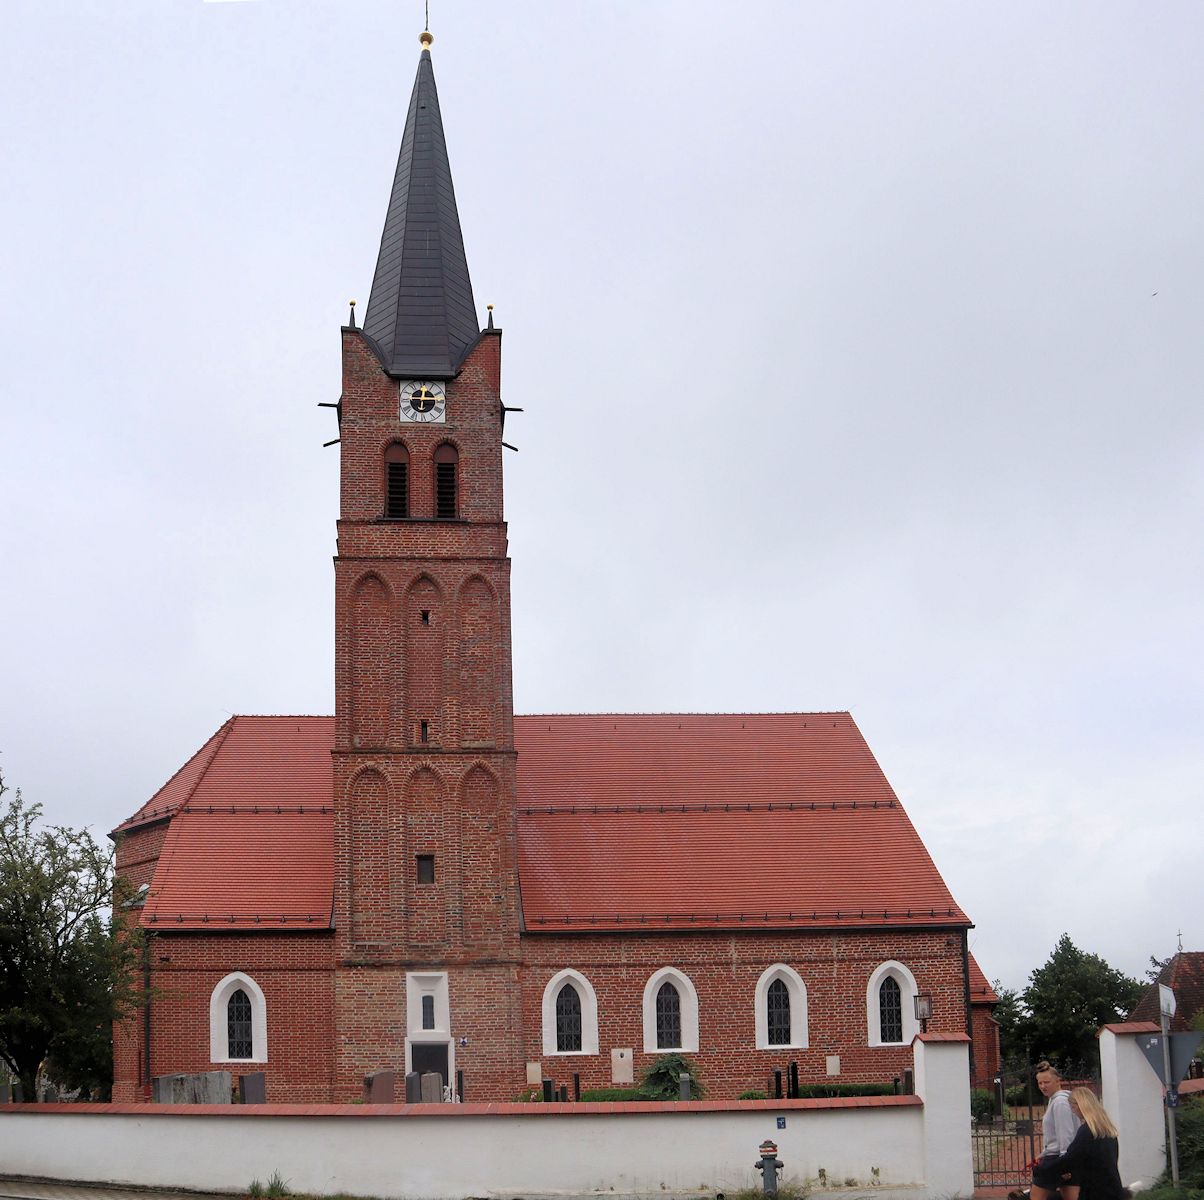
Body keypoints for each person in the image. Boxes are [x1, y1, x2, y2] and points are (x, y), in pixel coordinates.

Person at [1049, 1088, 1125, 1200]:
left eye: (1073, 1107)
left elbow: (1071, 1157)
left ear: (1081, 1106)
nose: (1073, 1112)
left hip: (1094, 1191)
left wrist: (1044, 1169)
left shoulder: (1086, 1131)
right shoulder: (1108, 1130)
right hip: (1113, 1188)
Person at [1031, 1061, 1081, 1200]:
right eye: (1040, 1083)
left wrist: (1064, 1164)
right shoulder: (1060, 1100)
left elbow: (1066, 1134)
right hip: (1065, 1158)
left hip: (1057, 1159)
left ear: (1058, 1081)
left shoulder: (1060, 1102)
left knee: (1035, 1197)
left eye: (1046, 1082)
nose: (1042, 1086)